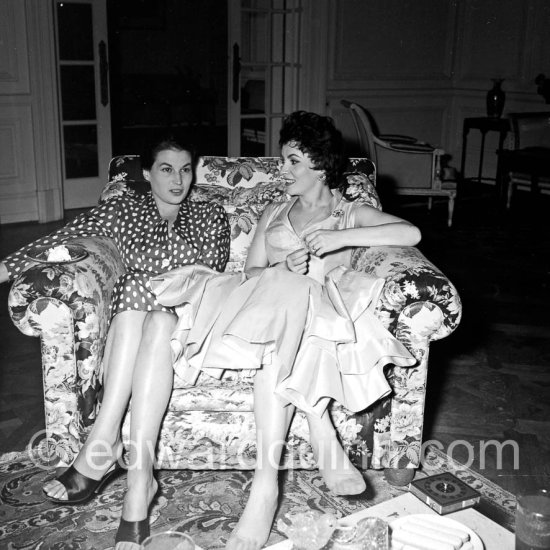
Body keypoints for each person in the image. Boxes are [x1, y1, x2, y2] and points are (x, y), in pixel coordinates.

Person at [150, 111, 421, 550]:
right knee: (286, 291)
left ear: (321, 166)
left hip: (319, 318)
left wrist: (340, 240)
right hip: (265, 305)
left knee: (291, 330)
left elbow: (410, 232)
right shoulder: (275, 210)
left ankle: (264, 488)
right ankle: (320, 427)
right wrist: (282, 265)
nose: (283, 169)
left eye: (294, 161)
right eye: (284, 160)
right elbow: (253, 268)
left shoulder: (350, 214)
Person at [0, 139, 231, 550]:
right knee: (146, 309)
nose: (178, 179)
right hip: (142, 324)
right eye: (166, 169)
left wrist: (164, 285)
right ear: (146, 174)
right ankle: (140, 478)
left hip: (193, 319)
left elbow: (209, 277)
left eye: (185, 169)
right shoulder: (124, 210)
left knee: (148, 299)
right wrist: (3, 268)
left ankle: (101, 445)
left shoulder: (210, 214)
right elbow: (65, 238)